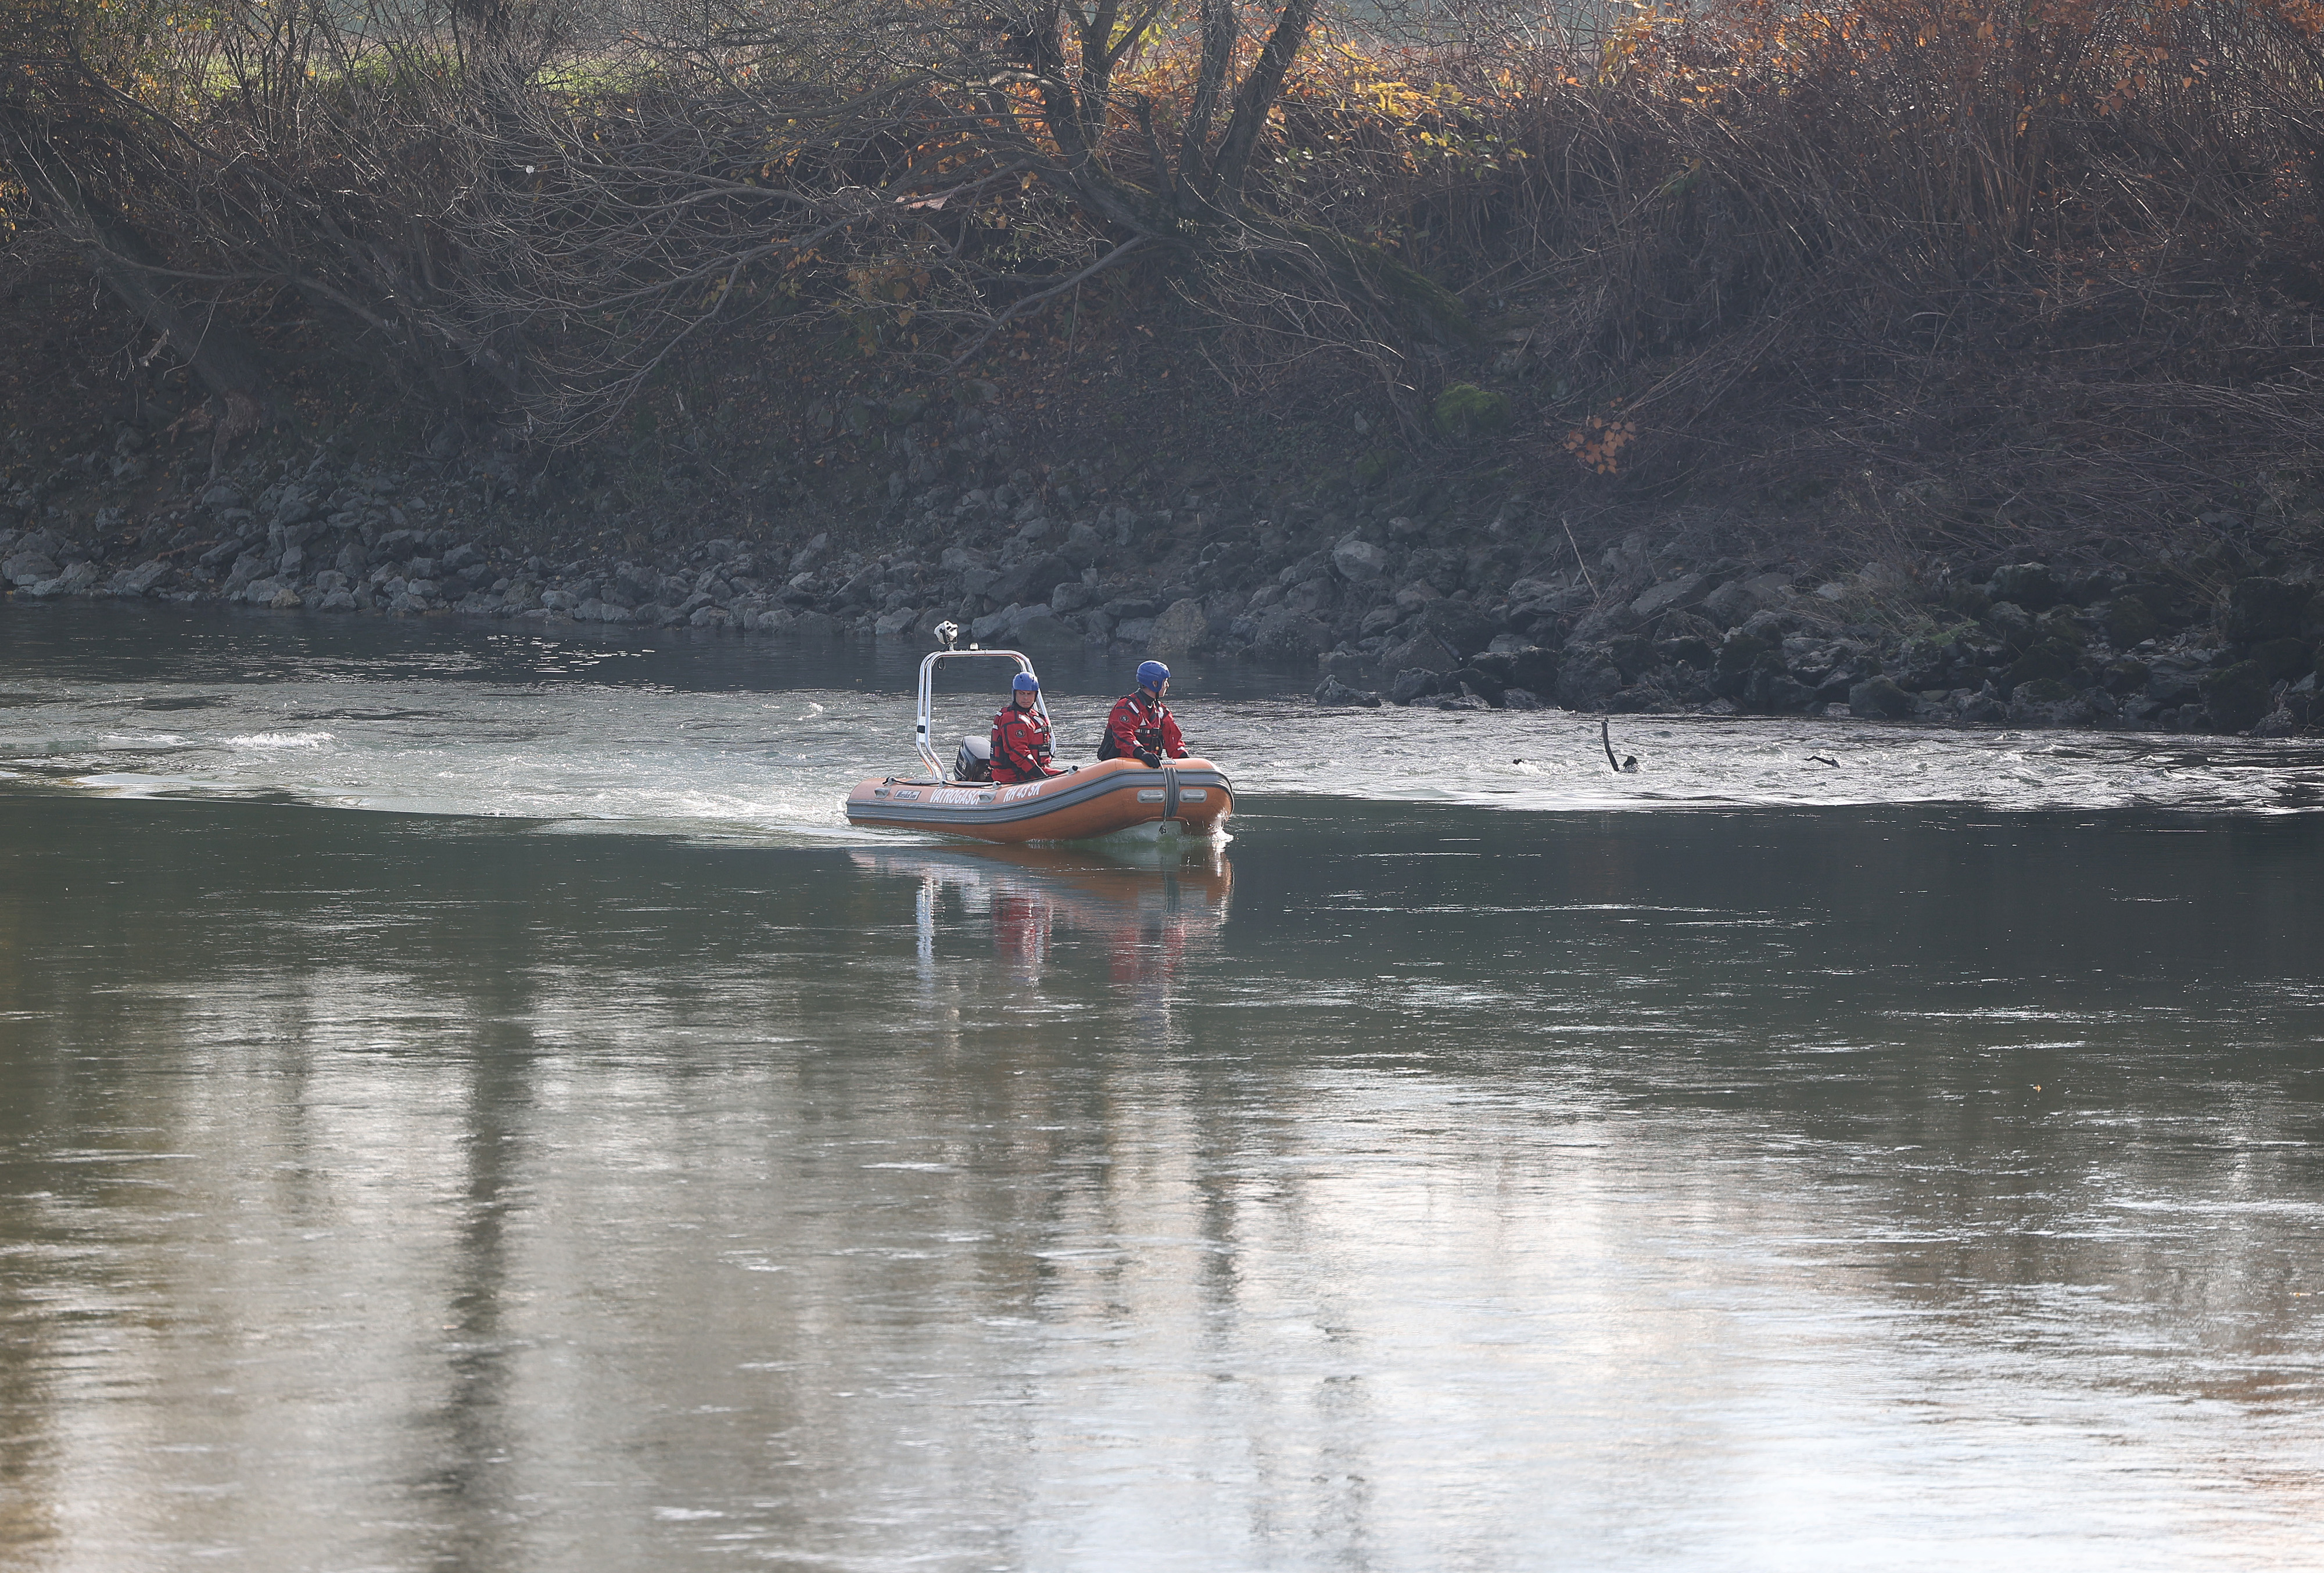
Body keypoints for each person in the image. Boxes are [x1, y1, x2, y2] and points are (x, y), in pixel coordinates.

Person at [1100, 660, 1189, 767]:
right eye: (1165, 681)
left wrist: (1185, 759)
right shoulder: (1127, 707)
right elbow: (1123, 735)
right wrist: (1142, 754)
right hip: (1122, 767)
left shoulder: (1161, 712)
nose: (1167, 686)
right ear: (1155, 683)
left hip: (1146, 768)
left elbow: (1173, 740)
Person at [990, 672, 1066, 784]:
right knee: (1067, 778)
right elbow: (1019, 753)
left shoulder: (1034, 716)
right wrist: (1042, 777)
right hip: (1013, 778)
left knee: (1074, 775)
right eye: (1022, 693)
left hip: (1030, 774)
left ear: (1035, 695)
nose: (1026, 698)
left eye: (1030, 694)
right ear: (1015, 693)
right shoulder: (1011, 719)